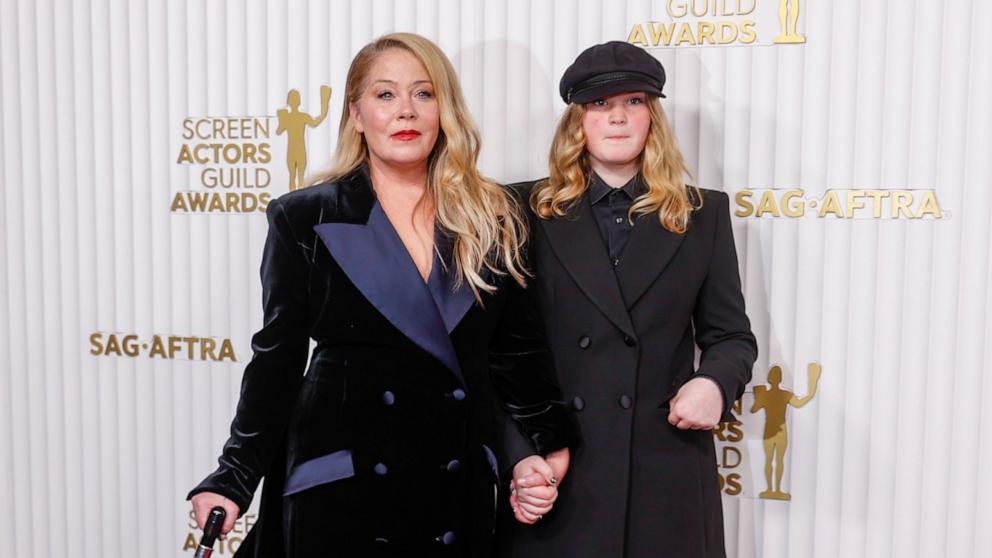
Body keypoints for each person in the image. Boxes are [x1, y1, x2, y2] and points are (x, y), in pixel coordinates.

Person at [188, 32, 574, 558]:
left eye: (424, 93)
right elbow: (276, 362)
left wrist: (546, 443)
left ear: (445, 109)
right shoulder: (305, 216)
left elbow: (516, 351)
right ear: (356, 113)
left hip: (452, 482)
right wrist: (234, 476)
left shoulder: (497, 216)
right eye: (385, 95)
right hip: (340, 482)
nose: (405, 112)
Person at [500, 41, 758, 558]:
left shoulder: (701, 214)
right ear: (577, 120)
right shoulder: (520, 209)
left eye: (633, 102)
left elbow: (731, 337)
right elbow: (500, 350)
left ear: (652, 117)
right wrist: (519, 455)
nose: (617, 117)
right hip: (555, 468)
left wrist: (714, 382)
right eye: (600, 104)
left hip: (665, 474)